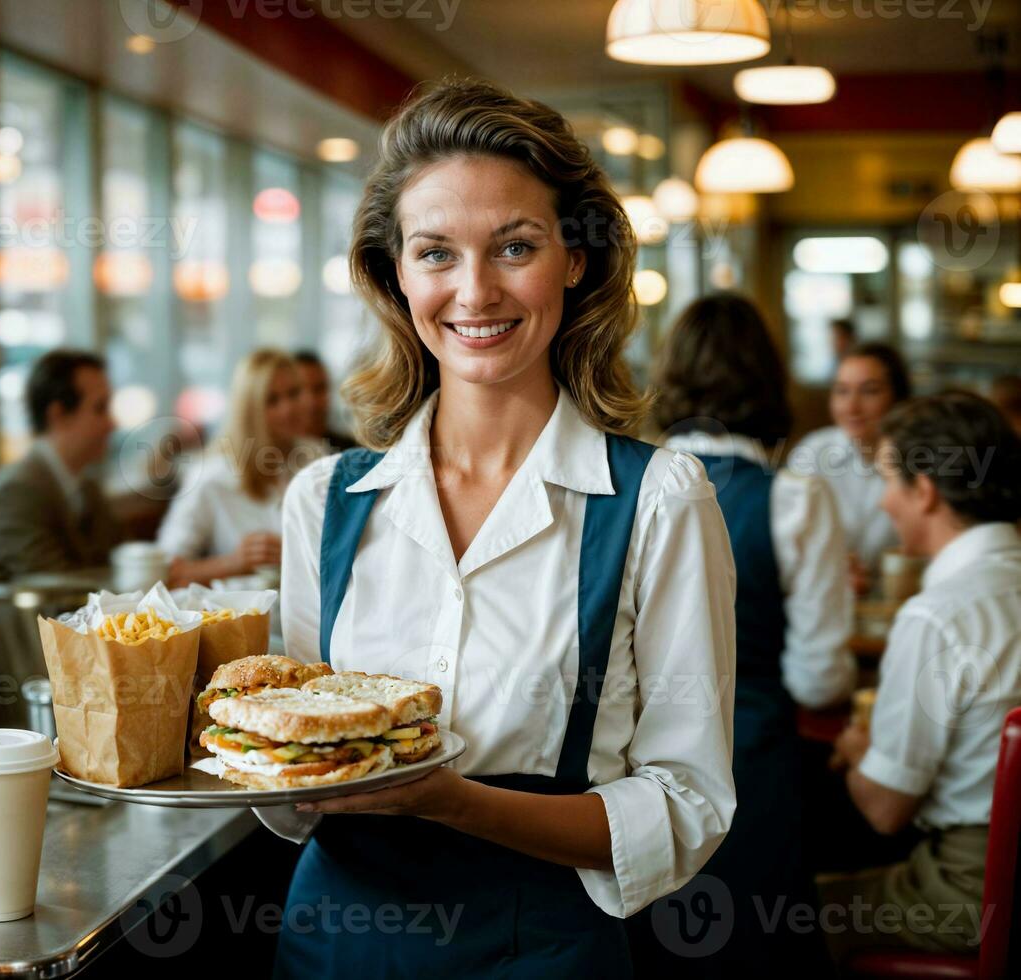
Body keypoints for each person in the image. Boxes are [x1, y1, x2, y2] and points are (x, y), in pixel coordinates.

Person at [271, 78, 737, 977]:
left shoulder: (660, 499)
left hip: (541, 946)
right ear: (394, 272)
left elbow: (686, 806)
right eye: (436, 253)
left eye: (515, 246)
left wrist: (454, 803)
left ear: (576, 259)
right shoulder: (324, 500)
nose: (474, 292)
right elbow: (290, 794)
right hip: (333, 941)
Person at [623, 292, 853, 977]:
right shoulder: (795, 497)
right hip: (750, 761)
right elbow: (819, 676)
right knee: (754, 949)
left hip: (638, 765)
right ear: (767, 380)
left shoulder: (630, 488)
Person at [818, 392, 1021, 963]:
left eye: (888, 480)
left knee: (792, 916)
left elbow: (884, 810)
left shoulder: (938, 615)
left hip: (972, 885)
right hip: (983, 870)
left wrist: (858, 746)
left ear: (925, 489)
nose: (883, 502)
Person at [158, 349, 322, 586]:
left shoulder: (316, 456)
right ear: (248, 409)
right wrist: (235, 562)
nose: (288, 408)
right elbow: (165, 572)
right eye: (272, 400)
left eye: (294, 393)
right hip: (241, 615)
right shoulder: (210, 475)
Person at [0, 349, 122, 580]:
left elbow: (120, 560)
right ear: (58, 415)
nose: (112, 424)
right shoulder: (15, 493)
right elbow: (56, 594)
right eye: (100, 408)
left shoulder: (87, 487)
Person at [790, 342, 912, 594]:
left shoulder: (919, 458)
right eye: (842, 391)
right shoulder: (812, 453)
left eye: (869, 391)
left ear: (897, 397)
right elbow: (789, 543)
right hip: (824, 597)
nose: (852, 407)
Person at [293, 350, 356, 452]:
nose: (311, 401)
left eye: (319, 389)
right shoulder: (276, 455)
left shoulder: (352, 451)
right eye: (299, 390)